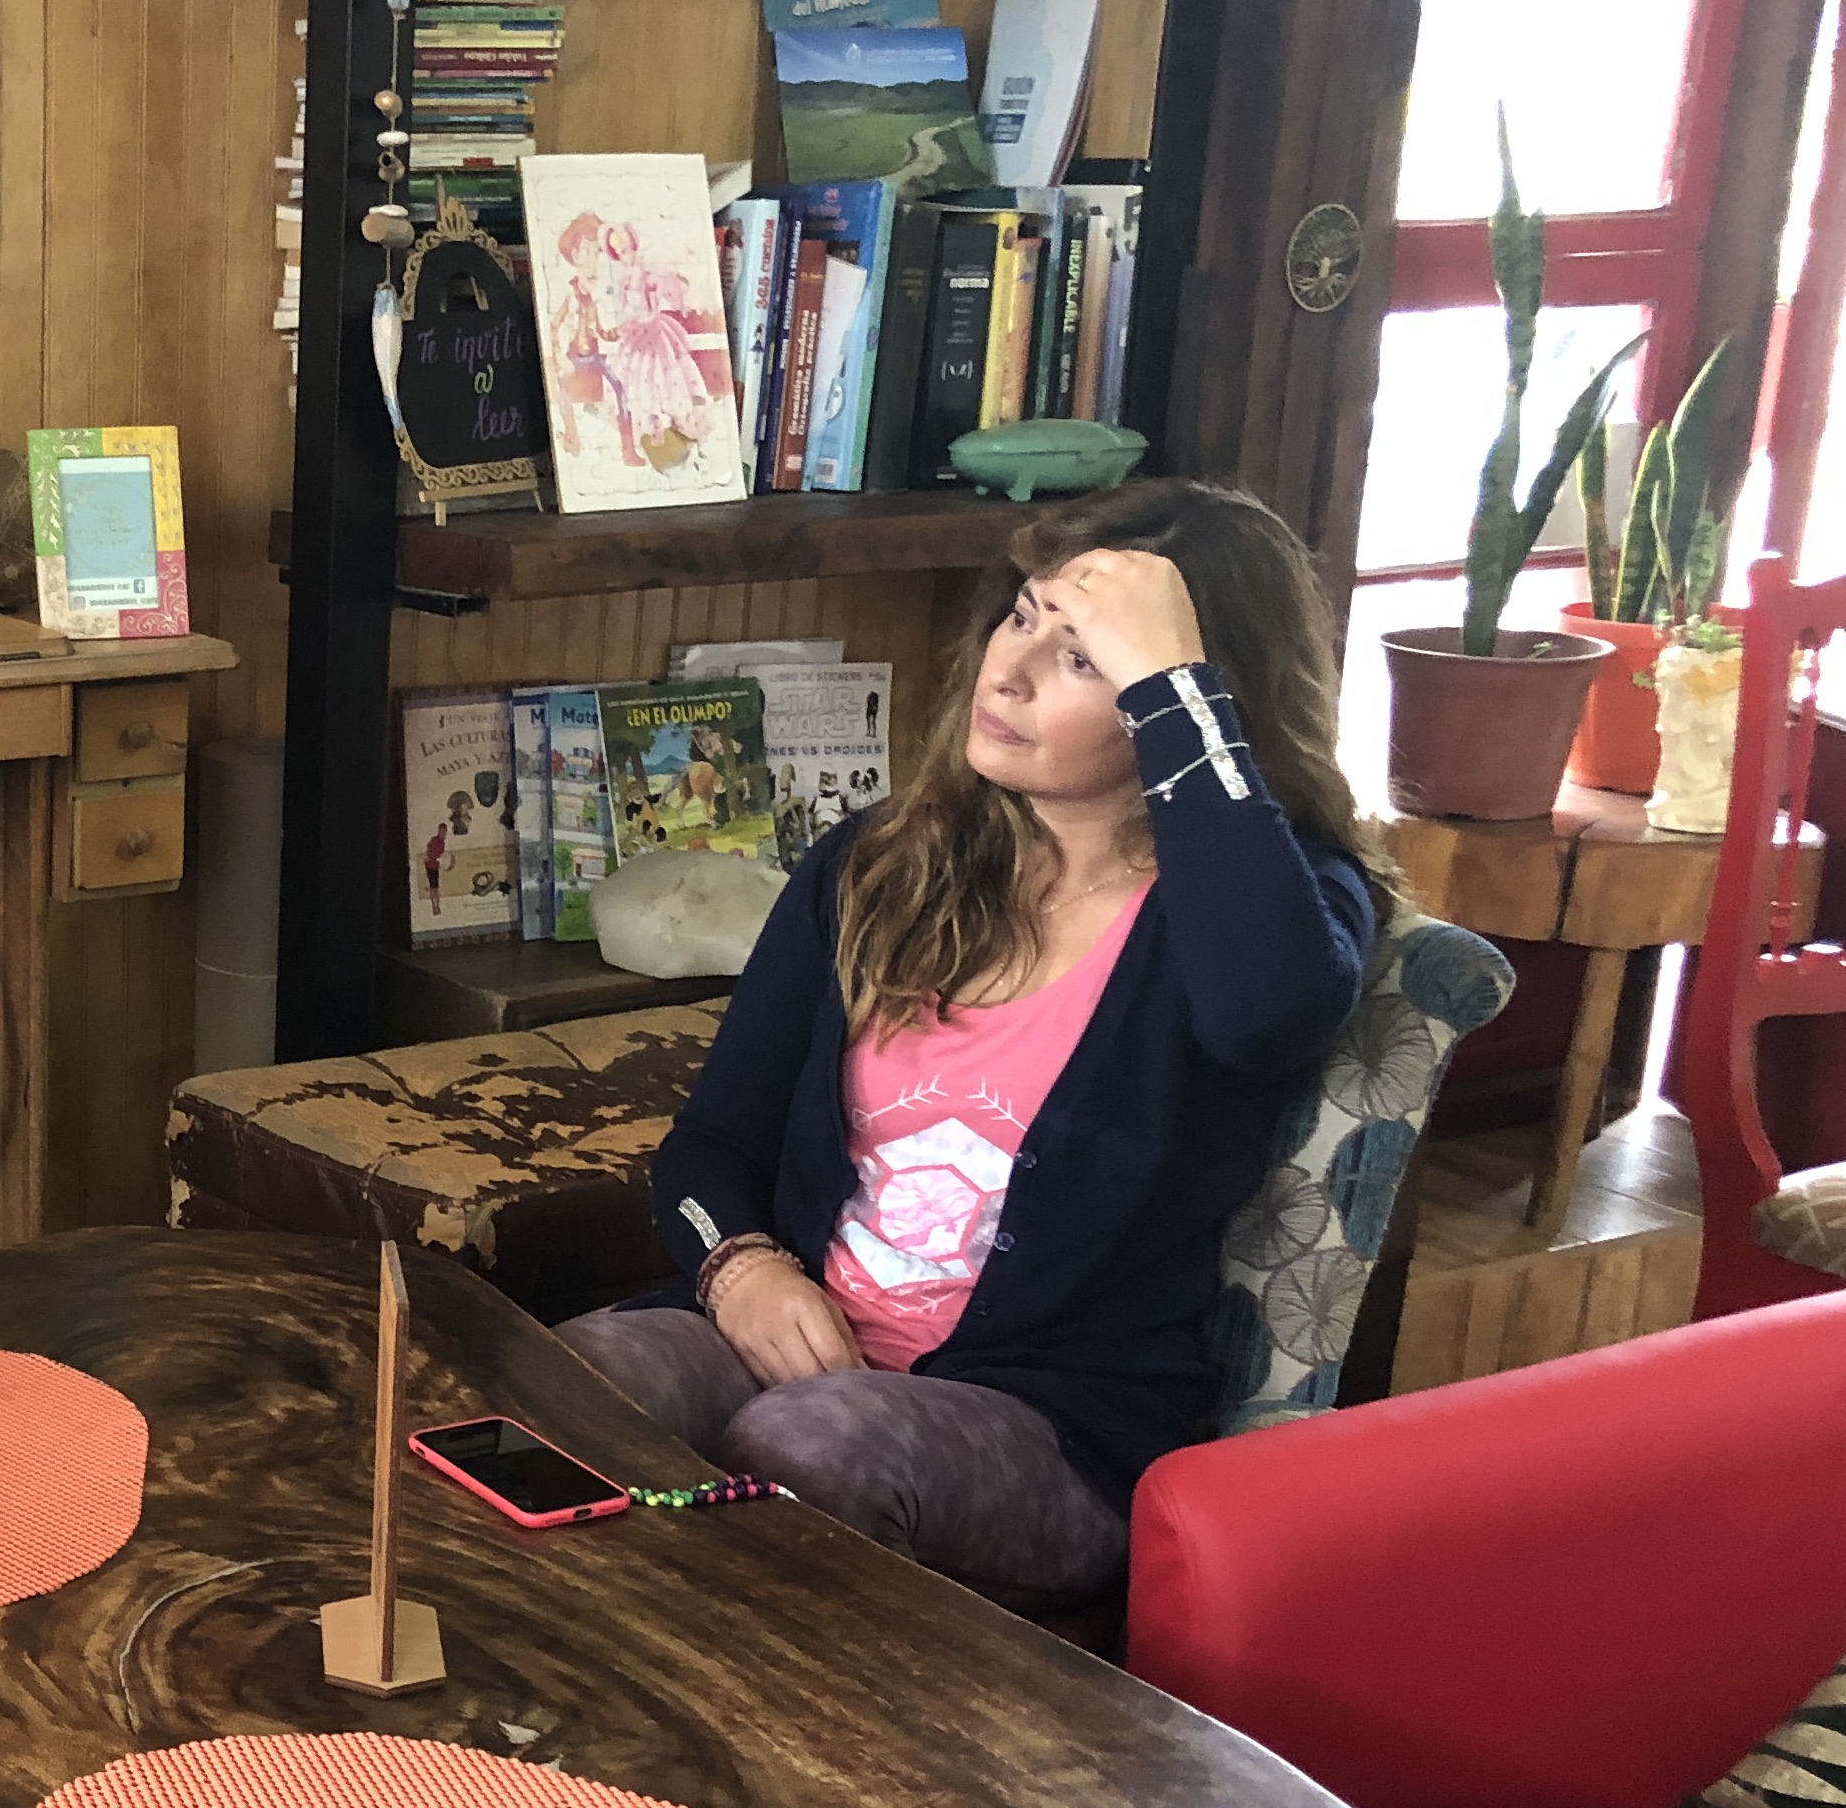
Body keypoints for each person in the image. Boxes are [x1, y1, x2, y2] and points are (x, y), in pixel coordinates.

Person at [559, 477, 1387, 1604]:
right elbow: (711, 1144)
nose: (1010, 673)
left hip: (1052, 1427)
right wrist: (738, 1267)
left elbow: (1266, 1012)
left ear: (1194, 697)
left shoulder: (1278, 903)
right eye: (1023, 617)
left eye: (1084, 658)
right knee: (563, 1386)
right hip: (801, 1342)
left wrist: (1173, 690)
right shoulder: (875, 864)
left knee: (810, 1445)